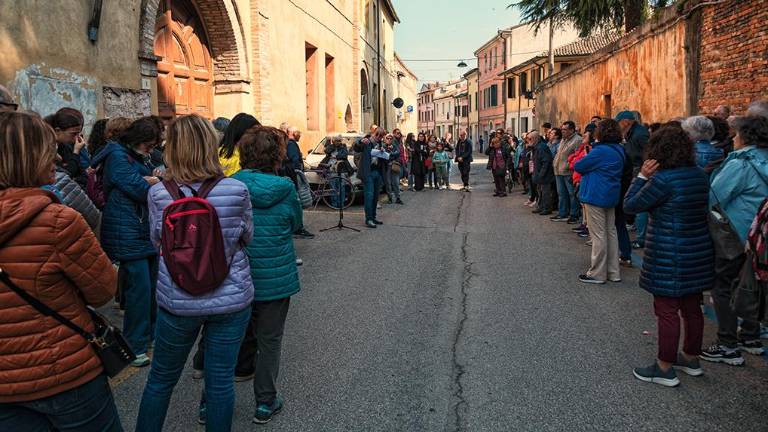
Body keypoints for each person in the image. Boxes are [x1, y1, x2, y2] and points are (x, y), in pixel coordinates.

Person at [0, 111, 121, 431]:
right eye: (47, 150)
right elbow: (104, 290)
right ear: (31, 158)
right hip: (66, 373)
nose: (55, 157)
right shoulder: (57, 221)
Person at [136, 114, 253, 432]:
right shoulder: (236, 189)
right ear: (209, 145)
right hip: (229, 299)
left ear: (172, 148)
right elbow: (246, 237)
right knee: (220, 383)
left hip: (178, 299)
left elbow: (157, 241)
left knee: (160, 380)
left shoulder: (159, 194)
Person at [624, 124, 713, 387]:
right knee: (692, 307)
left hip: (668, 250)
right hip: (697, 250)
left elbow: (631, 205)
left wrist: (640, 177)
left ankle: (664, 367)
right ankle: (691, 358)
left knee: (666, 310)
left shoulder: (662, 180)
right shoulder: (699, 174)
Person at [232, 126, 302, 425]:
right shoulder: (285, 188)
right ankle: (265, 401)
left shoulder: (229, 185)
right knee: (270, 340)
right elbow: (296, 223)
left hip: (236, 275)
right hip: (275, 275)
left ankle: (209, 404)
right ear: (277, 155)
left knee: (226, 339)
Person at [91, 117, 162, 367]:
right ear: (136, 140)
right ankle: (135, 345)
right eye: (148, 145)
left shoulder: (135, 156)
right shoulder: (118, 157)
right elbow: (138, 188)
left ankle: (151, 335)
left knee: (151, 286)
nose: (151, 150)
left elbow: (150, 179)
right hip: (127, 231)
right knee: (139, 290)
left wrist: (153, 178)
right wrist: (152, 181)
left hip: (141, 230)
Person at [701, 115, 768, 365]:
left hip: (737, 232)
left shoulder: (741, 163)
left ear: (746, 135)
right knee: (752, 282)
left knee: (724, 285)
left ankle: (728, 344)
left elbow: (716, 194)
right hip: (762, 234)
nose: (734, 137)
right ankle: (751, 336)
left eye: (737, 133)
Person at [574, 119, 625, 284]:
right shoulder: (619, 149)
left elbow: (579, 166)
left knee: (598, 235)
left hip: (596, 194)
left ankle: (597, 273)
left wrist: (589, 151)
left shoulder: (600, 151)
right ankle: (613, 271)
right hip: (611, 194)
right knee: (611, 232)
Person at [617, 110, 650, 249]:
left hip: (641, 172)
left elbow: (648, 152)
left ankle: (641, 238)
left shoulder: (640, 133)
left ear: (626, 122)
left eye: (619, 123)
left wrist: (644, 172)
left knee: (640, 205)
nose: (618, 126)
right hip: (636, 171)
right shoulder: (632, 133)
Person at [46, 108, 88, 188]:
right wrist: (76, 152)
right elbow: (65, 175)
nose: (76, 138)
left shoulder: (65, 146)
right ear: (57, 131)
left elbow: (83, 176)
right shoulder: (45, 151)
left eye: (78, 134)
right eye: (73, 134)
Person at [355, 127, 387, 228]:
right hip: (368, 172)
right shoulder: (366, 141)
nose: (378, 137)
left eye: (381, 136)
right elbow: (356, 147)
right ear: (373, 133)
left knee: (375, 197)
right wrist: (360, 141)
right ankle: (368, 219)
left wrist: (383, 151)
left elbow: (382, 158)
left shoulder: (380, 143)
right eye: (377, 134)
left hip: (377, 172)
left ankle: (373, 217)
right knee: (369, 196)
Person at [553, 121, 581, 223]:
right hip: (558, 170)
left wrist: (569, 166)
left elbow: (578, 156)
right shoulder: (563, 140)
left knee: (572, 194)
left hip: (568, 171)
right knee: (561, 194)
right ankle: (562, 213)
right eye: (562, 129)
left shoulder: (577, 140)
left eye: (565, 129)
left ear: (572, 130)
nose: (562, 131)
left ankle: (574, 215)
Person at [219, 113, 259, 177]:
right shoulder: (220, 156)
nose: (257, 137)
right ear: (241, 133)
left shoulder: (256, 154)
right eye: (253, 133)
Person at [531, 130, 555, 215]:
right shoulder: (537, 147)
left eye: (530, 139)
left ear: (535, 138)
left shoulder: (541, 147)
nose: (529, 141)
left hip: (544, 174)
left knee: (545, 192)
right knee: (540, 191)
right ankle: (541, 207)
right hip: (539, 173)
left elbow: (546, 161)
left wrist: (541, 174)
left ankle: (547, 208)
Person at [384, 133, 403, 204]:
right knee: (388, 183)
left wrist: (390, 153)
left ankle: (398, 198)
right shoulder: (383, 146)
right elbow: (384, 156)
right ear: (385, 139)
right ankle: (390, 198)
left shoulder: (395, 146)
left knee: (396, 183)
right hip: (387, 167)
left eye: (390, 138)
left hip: (394, 166)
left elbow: (397, 153)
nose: (389, 140)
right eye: (387, 138)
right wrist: (390, 154)